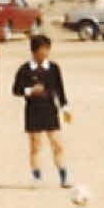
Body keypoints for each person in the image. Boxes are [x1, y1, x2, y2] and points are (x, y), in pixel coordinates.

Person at [15, 34, 77, 192]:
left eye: (47, 50)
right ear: (34, 52)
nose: (45, 53)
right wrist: (30, 91)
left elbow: (60, 90)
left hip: (50, 109)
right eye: (42, 50)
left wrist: (65, 108)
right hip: (33, 110)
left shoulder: (54, 68)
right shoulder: (25, 69)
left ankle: (64, 176)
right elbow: (16, 90)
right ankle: (37, 177)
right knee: (35, 145)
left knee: (57, 143)